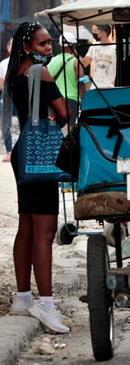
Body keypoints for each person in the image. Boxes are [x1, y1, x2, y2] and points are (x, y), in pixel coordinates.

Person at [1, 23, 70, 333]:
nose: (49, 48)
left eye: (50, 43)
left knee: (27, 224)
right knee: (46, 229)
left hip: (23, 150)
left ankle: (23, 297)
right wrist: (57, 113)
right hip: (41, 152)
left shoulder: (14, 72)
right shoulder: (40, 73)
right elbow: (64, 114)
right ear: (28, 46)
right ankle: (47, 304)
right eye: (43, 44)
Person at [46, 32, 88, 124]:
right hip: (71, 101)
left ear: (59, 45)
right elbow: (81, 83)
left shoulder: (51, 61)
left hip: (55, 101)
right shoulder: (76, 62)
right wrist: (84, 102)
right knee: (70, 129)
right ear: (74, 45)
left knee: (55, 128)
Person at [87, 25, 117, 89]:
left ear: (103, 32)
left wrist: (113, 83)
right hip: (95, 87)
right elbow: (85, 62)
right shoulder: (94, 46)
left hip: (109, 87)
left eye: (97, 30)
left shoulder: (115, 48)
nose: (95, 33)